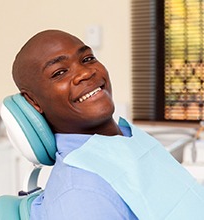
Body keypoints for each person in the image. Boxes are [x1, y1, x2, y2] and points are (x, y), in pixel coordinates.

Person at [12, 29, 138, 219]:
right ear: (33, 101)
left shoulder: (129, 138)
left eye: (87, 59)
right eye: (59, 72)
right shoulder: (82, 195)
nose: (85, 73)